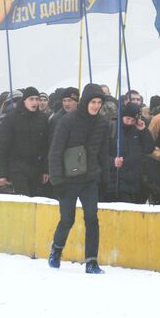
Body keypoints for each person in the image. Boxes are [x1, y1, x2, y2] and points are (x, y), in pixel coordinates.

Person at [47, 83, 111, 274]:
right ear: (85, 101)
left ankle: (91, 261)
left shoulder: (103, 124)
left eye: (99, 102)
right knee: (67, 219)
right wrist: (56, 180)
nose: (96, 106)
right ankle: (56, 251)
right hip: (68, 179)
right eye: (93, 101)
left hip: (90, 179)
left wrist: (105, 178)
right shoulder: (67, 121)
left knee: (92, 219)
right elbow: (55, 151)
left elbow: (103, 152)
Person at [0, 87, 51, 196]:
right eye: (31, 99)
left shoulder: (42, 119)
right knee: (23, 197)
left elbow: (45, 146)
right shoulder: (11, 118)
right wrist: (0, 173)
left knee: (36, 198)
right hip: (17, 167)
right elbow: (2, 147)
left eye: (37, 99)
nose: (35, 102)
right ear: (24, 101)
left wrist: (45, 170)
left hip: (36, 168)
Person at [105, 101, 153, 204]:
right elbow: (101, 154)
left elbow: (149, 149)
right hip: (114, 182)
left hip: (135, 183)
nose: (130, 122)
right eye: (127, 119)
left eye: (133, 120)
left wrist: (143, 130)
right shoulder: (111, 128)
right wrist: (113, 162)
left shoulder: (138, 130)